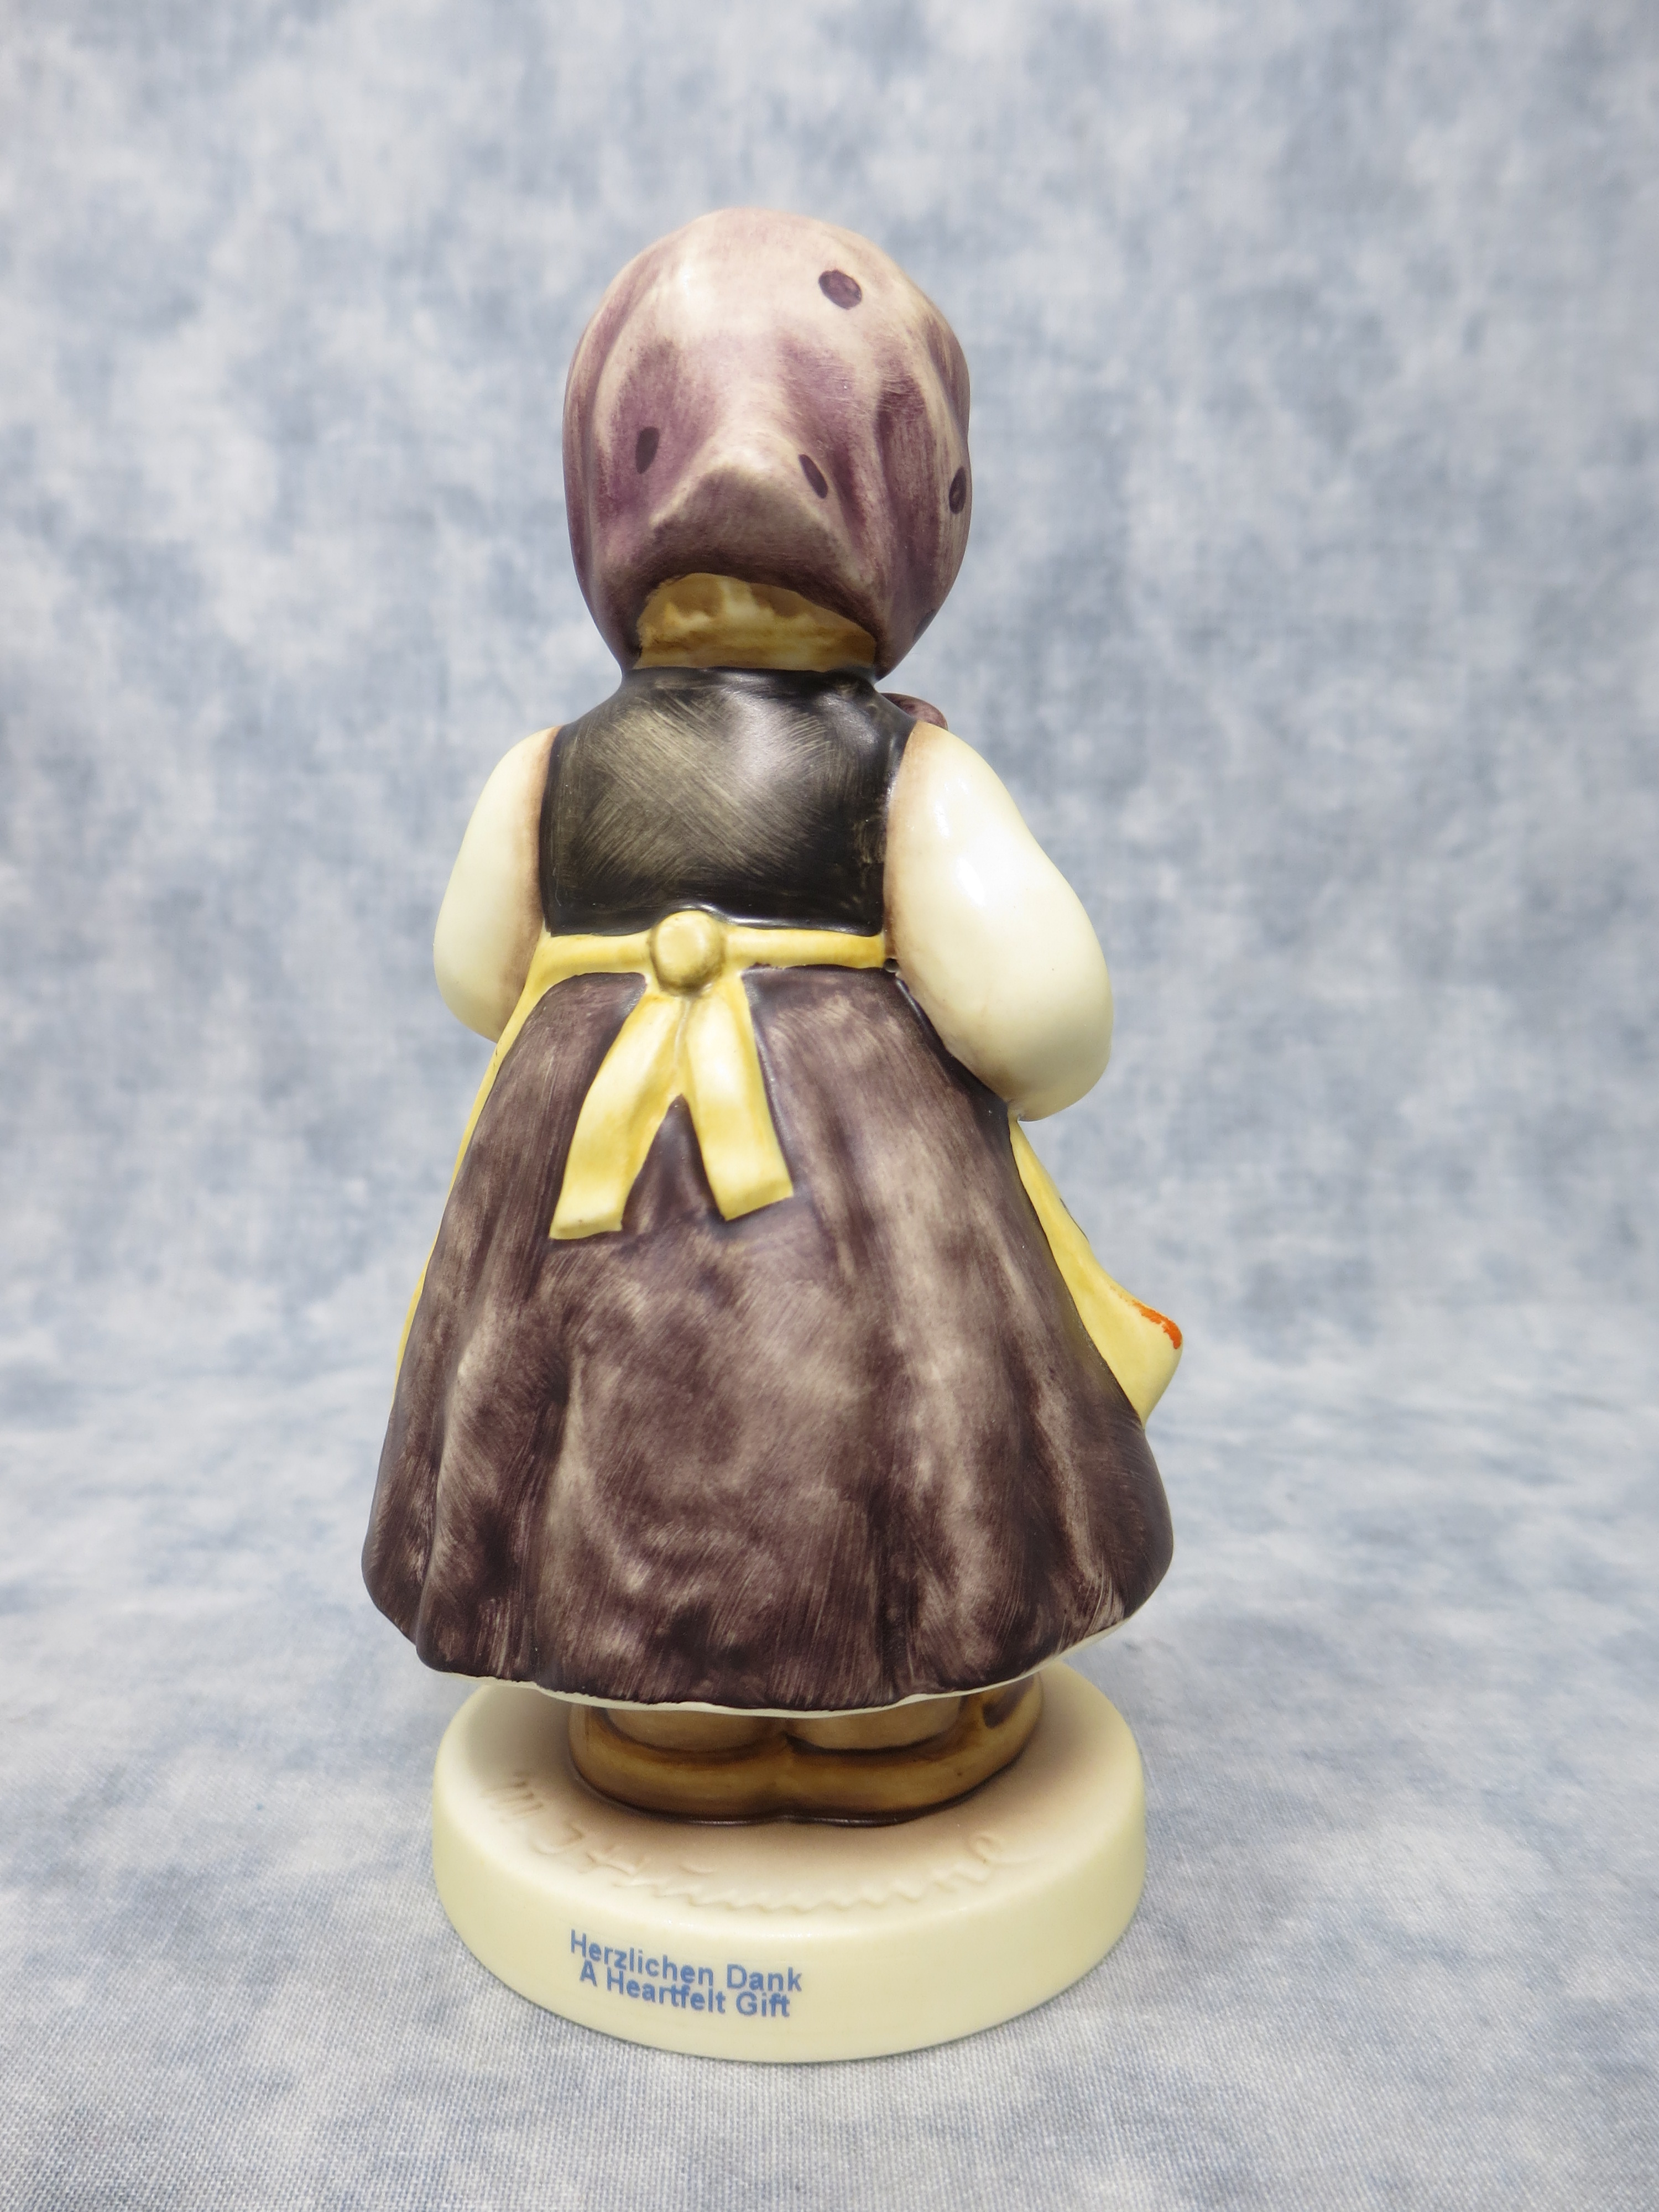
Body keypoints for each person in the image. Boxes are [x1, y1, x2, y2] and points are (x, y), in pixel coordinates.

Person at [362, 210, 1178, 1820]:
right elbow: (1042, 1015)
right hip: (868, 1186)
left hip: (584, 1186)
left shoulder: (546, 772)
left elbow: (470, 972)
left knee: (610, 1426)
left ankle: (656, 1710)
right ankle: (887, 1715)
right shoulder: (906, 770)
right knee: (878, 1429)